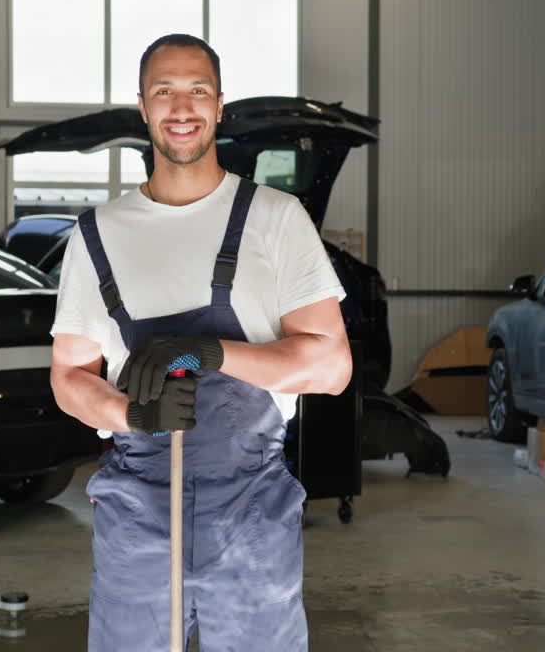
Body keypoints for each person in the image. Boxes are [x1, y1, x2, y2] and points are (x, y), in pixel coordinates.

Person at [49, 33, 352, 652]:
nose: (181, 107)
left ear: (219, 104)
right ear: (142, 106)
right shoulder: (97, 234)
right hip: (136, 513)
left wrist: (211, 353)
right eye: (164, 91)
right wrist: (133, 415)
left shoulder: (275, 219)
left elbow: (331, 366)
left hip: (250, 511)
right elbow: (69, 377)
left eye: (197, 90)